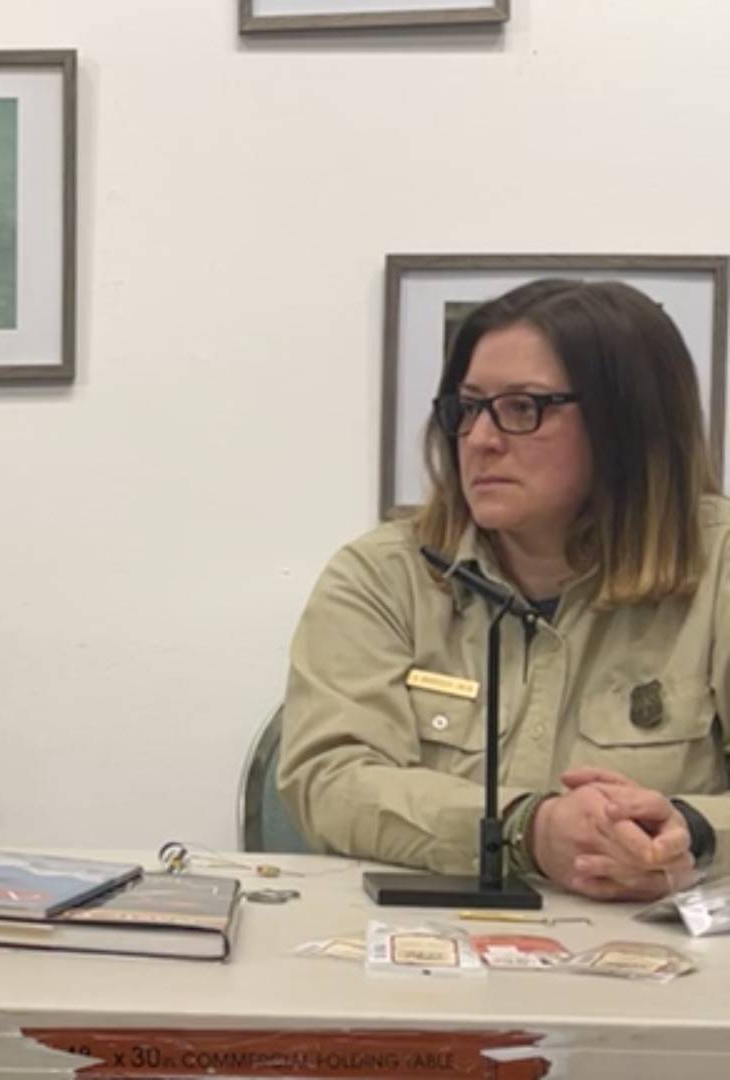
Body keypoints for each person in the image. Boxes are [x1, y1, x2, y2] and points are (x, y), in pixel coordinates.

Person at [281, 278, 724, 901]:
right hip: (428, 958)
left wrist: (691, 832)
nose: (481, 439)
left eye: (523, 408)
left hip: (670, 970)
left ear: (626, 423)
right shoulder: (382, 575)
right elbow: (330, 781)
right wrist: (525, 830)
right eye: (468, 407)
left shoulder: (720, 568)